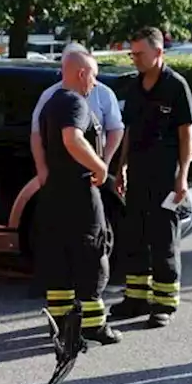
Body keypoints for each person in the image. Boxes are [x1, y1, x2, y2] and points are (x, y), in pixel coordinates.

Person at [110, 27, 192, 329]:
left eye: (140, 54)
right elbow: (129, 129)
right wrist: (121, 166)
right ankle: (136, 298)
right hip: (139, 172)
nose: (134, 59)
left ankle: (165, 303)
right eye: (132, 54)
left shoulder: (176, 86)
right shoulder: (135, 87)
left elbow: (187, 134)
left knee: (163, 239)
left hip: (166, 175)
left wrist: (183, 176)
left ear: (158, 53)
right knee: (135, 234)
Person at [38, 48, 121, 345]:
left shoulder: (52, 103)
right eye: (94, 78)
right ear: (82, 73)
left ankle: (60, 323)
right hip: (79, 190)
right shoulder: (76, 102)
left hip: (57, 192)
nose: (94, 85)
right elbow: (72, 139)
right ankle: (94, 325)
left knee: (60, 256)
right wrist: (99, 165)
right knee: (93, 252)